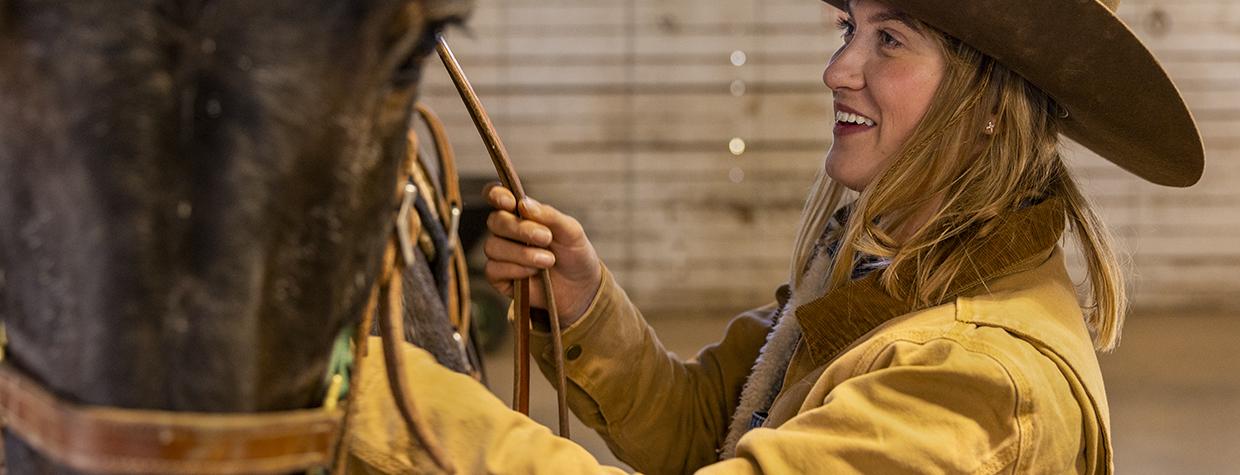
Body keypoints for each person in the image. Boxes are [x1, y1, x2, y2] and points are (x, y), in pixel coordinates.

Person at [344, 0, 1204, 472]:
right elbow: (710, 427)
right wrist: (587, 309)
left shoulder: (975, 382)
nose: (838, 68)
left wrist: (389, 407)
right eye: (848, 30)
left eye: (889, 40)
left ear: (986, 105)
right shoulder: (884, 265)